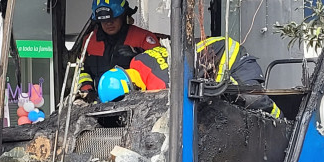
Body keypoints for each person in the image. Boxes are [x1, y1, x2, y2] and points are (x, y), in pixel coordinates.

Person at [118, 40, 281, 118]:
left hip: (232, 60)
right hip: (211, 59)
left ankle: (284, 124)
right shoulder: (137, 61)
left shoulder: (160, 86)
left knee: (254, 101)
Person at [76, 0, 161, 103]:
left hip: (137, 105)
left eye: (113, 18)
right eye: (104, 20)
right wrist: (87, 91)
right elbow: (82, 72)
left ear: (123, 15)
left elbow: (162, 70)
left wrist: (139, 54)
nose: (109, 23)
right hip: (98, 104)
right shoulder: (89, 42)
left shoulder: (143, 39)